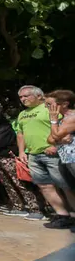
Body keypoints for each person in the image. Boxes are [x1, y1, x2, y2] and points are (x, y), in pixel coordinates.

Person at [17, 85, 75, 229]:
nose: (23, 99)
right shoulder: (22, 114)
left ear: (39, 96)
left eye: (26, 96)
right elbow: (20, 133)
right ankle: (63, 215)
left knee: (65, 186)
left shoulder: (51, 108)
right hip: (33, 155)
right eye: (21, 97)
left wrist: (56, 145)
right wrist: (22, 152)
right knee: (44, 185)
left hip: (53, 154)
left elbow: (65, 128)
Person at [0, 110, 46, 218]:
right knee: (7, 183)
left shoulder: (4, 126)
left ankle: (36, 208)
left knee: (20, 182)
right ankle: (18, 206)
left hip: (7, 159)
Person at [45, 89, 75, 228]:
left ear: (64, 104)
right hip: (66, 158)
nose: (48, 108)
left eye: (50, 105)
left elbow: (55, 136)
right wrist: (60, 138)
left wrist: (53, 121)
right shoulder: (63, 119)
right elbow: (51, 138)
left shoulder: (72, 117)